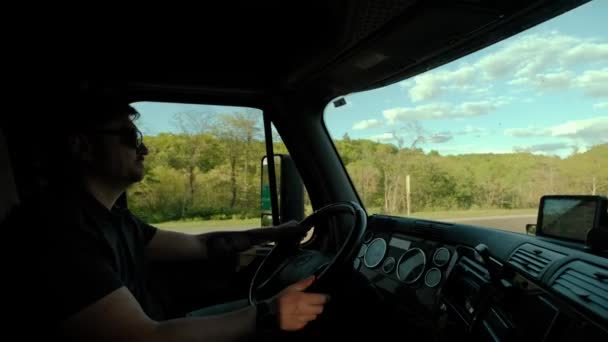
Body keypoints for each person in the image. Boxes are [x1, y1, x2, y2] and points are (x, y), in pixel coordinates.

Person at [5, 99, 329, 341]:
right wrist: (270, 312)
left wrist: (275, 232)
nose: (144, 148)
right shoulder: (53, 231)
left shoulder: (114, 220)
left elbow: (201, 245)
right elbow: (145, 338)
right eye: (130, 138)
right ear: (82, 146)